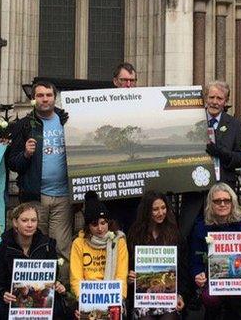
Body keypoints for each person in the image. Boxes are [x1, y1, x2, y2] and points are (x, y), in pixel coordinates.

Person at [7, 80, 73, 259]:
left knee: (62, 248)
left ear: (55, 97)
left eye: (49, 95)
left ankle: (62, 286)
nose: (45, 99)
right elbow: (12, 163)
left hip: (63, 196)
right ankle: (36, 287)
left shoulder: (67, 121)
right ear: (33, 99)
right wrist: (26, 155)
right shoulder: (25, 125)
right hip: (36, 197)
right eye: (40, 95)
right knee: (36, 246)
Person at [179, 81, 241, 239]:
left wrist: (221, 153)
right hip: (195, 191)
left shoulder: (234, 124)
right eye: (212, 97)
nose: (215, 102)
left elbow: (240, 157)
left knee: (221, 236)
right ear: (205, 99)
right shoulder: (193, 122)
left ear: (226, 101)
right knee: (189, 235)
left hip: (222, 191)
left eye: (220, 98)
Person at [0, 203, 66, 320]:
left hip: (41, 299)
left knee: (61, 309)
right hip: (14, 300)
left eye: (33, 220)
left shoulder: (47, 245)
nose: (29, 225)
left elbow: (53, 277)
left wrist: (58, 285)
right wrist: (3, 294)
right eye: (24, 220)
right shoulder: (3, 248)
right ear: (15, 223)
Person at [189, 183, 241, 320]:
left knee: (238, 301)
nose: (222, 204)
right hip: (212, 281)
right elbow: (195, 260)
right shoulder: (201, 228)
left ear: (233, 203)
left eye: (226, 200)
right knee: (210, 298)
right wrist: (198, 274)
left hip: (238, 281)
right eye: (217, 201)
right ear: (210, 204)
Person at [127, 192, 189, 320]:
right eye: (155, 209)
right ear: (146, 211)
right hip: (143, 299)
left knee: (169, 318)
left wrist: (181, 294)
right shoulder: (135, 233)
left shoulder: (174, 233)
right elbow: (128, 264)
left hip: (169, 297)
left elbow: (183, 268)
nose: (161, 213)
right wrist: (129, 276)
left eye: (163, 207)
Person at [70, 191, 129, 308]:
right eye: (94, 224)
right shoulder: (79, 242)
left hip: (113, 297)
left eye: (103, 223)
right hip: (87, 298)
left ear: (109, 222)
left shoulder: (118, 241)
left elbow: (121, 276)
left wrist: (117, 301)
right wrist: (83, 302)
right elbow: (75, 278)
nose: (100, 228)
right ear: (88, 226)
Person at [107, 62, 142, 232]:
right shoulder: (101, 106)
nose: (129, 85)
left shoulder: (145, 106)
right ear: (115, 81)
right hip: (111, 187)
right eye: (124, 80)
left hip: (138, 188)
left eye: (132, 81)